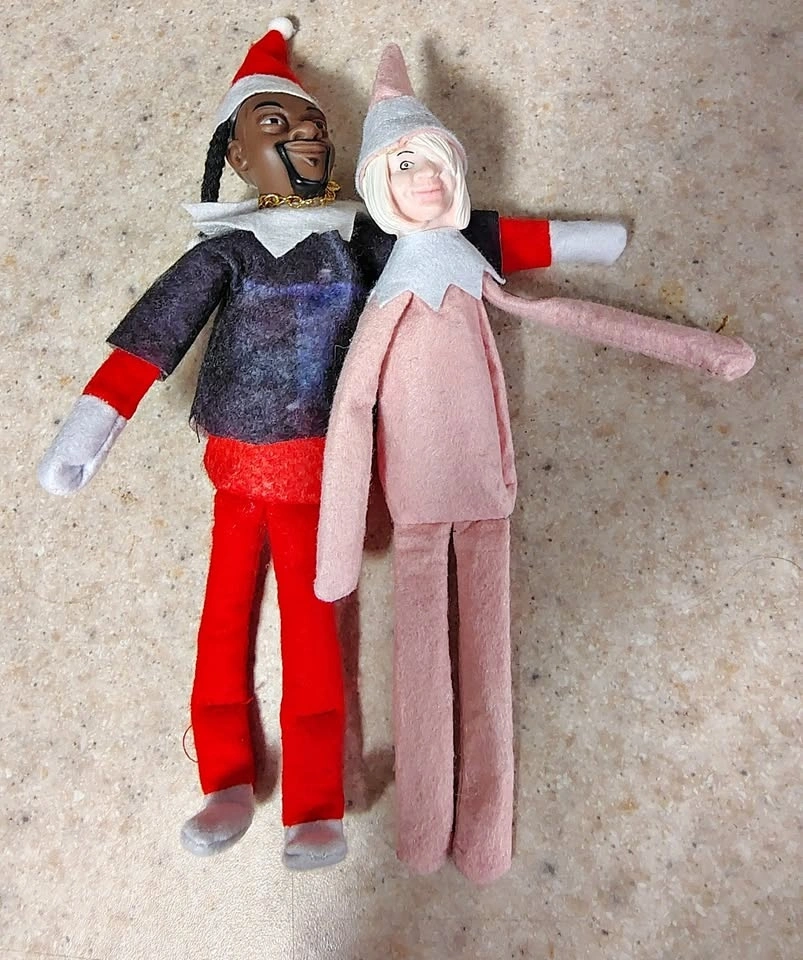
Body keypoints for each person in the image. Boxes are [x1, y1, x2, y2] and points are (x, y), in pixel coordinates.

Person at [37, 20, 633, 868]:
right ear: (237, 158)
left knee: (316, 634)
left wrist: (573, 241)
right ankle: (224, 778)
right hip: (236, 471)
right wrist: (91, 427)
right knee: (222, 624)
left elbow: (466, 236)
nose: (305, 136)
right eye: (274, 124)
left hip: (323, 473)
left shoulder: (361, 238)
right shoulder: (226, 252)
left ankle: (314, 803)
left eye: (313, 124)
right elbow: (153, 337)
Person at [314, 44, 754, 883]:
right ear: (376, 184)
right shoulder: (390, 297)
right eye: (404, 164)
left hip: (488, 495)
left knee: (487, 667)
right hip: (416, 509)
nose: (425, 177)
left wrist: (702, 350)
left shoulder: (469, 272)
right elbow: (352, 410)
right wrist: (336, 557)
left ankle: (482, 832)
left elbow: (564, 312)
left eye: (433, 160)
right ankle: (421, 829)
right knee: (421, 666)